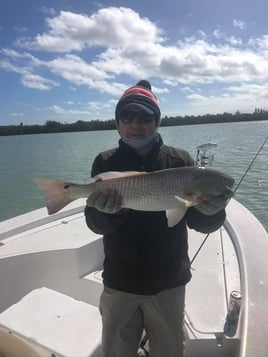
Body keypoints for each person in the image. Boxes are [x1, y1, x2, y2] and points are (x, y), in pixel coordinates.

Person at [84, 80, 229, 357]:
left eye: (145, 116)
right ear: (117, 122)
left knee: (169, 349)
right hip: (120, 278)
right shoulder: (105, 163)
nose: (135, 124)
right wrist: (107, 214)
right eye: (127, 116)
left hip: (168, 280)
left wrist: (213, 212)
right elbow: (95, 223)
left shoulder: (180, 161)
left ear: (156, 121)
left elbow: (199, 222)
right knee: (116, 350)